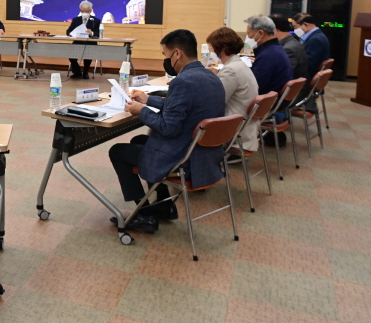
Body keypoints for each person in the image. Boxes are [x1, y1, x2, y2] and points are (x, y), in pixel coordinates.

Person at [107, 29, 225, 233]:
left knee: (117, 151)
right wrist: (148, 100)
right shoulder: (211, 76)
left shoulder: (183, 81)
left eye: (165, 55)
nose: (166, 60)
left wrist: (142, 111)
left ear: (177, 53)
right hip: (203, 154)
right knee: (139, 140)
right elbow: (184, 108)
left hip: (183, 158)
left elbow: (168, 127)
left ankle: (143, 214)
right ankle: (164, 205)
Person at [206, 27, 260, 151]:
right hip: (244, 125)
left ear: (222, 48)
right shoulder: (239, 65)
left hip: (233, 131)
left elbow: (215, 102)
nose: (212, 51)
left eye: (212, 48)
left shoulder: (231, 70)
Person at [245, 15, 293, 145]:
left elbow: (254, 87)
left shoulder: (269, 56)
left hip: (265, 107)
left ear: (260, 33)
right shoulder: (275, 50)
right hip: (275, 104)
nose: (248, 37)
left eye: (249, 33)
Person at [66, 0, 101, 79]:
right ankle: (77, 72)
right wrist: (72, 33)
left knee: (88, 55)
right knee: (71, 55)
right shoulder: (76, 20)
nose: (84, 12)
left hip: (90, 43)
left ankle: (85, 73)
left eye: (86, 11)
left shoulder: (95, 21)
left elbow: (97, 34)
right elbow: (68, 31)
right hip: (78, 41)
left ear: (90, 11)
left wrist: (91, 33)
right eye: (83, 11)